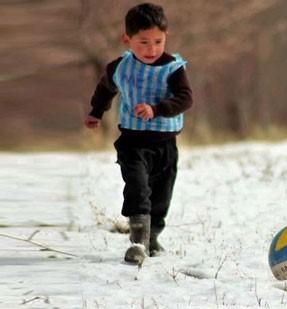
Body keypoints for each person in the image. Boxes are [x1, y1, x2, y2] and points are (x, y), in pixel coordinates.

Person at [84, 3, 193, 264]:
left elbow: (185, 99)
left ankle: (152, 236)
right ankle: (138, 241)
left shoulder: (173, 68)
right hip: (132, 141)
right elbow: (105, 89)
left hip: (165, 143)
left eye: (158, 41)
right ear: (127, 39)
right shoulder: (119, 67)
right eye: (143, 42)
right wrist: (96, 111)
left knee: (161, 194)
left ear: (166, 37)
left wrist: (157, 109)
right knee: (138, 187)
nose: (151, 49)